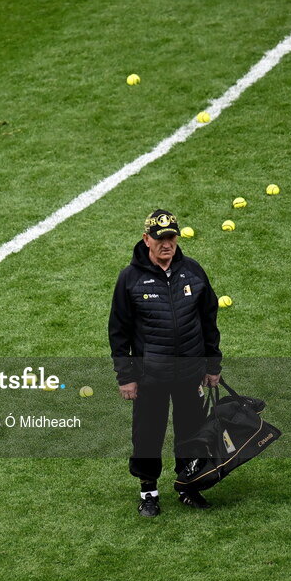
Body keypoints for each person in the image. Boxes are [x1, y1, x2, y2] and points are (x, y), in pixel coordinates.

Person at [108, 209, 222, 517]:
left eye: (171, 237)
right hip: (150, 376)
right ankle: (149, 492)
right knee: (147, 434)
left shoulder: (194, 272)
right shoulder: (129, 279)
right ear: (146, 239)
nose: (166, 244)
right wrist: (125, 377)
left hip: (190, 372)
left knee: (192, 431)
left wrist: (212, 365)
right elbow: (119, 332)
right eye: (160, 239)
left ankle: (189, 485)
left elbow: (209, 320)